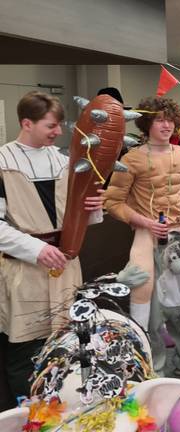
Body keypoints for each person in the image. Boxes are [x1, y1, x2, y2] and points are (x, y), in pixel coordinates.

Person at [0, 92, 104, 406]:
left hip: (67, 265)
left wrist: (95, 207)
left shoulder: (65, 161)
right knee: (25, 348)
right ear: (26, 123)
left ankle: (66, 407)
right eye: (51, 125)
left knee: (68, 342)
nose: (58, 131)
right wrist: (34, 249)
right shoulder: (3, 163)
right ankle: (30, 413)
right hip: (24, 269)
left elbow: (79, 215)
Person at [104, 96, 180, 339]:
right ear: (147, 123)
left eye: (170, 120)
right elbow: (112, 202)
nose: (166, 126)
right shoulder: (131, 159)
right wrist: (144, 222)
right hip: (147, 229)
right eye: (160, 120)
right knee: (142, 279)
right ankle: (139, 333)